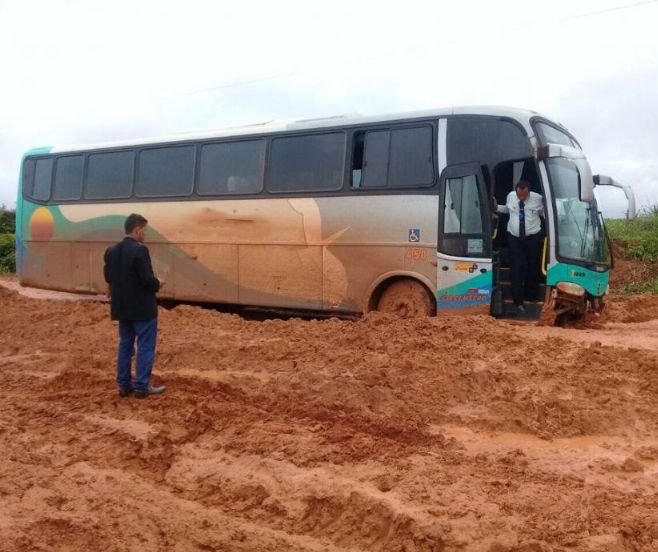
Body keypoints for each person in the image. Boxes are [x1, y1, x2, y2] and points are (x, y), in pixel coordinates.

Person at [104, 213, 166, 398]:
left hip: (122, 309)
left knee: (125, 346)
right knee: (145, 347)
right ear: (137, 230)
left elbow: (108, 278)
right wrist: (159, 283)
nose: (145, 235)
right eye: (144, 231)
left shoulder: (111, 251)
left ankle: (124, 386)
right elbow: (147, 281)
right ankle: (141, 386)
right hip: (143, 310)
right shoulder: (140, 250)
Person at [493, 181, 544, 315]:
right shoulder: (511, 196)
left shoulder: (538, 199)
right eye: (519, 195)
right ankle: (518, 301)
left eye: (524, 196)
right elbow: (507, 209)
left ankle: (530, 296)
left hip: (532, 237)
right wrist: (496, 207)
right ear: (516, 191)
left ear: (529, 192)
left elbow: (546, 214)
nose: (521, 198)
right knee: (516, 267)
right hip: (514, 237)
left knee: (532, 266)